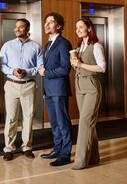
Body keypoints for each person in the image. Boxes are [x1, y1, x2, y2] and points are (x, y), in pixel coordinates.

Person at [0, 18, 43, 161]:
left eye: (21, 27)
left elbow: (40, 67)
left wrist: (27, 72)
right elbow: (1, 65)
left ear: (28, 29)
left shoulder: (36, 46)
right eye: (16, 27)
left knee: (28, 117)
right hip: (11, 84)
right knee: (11, 118)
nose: (17, 29)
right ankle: (9, 148)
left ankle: (27, 147)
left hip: (29, 85)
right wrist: (13, 71)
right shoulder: (7, 45)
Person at [70, 17, 106, 170]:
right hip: (79, 87)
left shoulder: (96, 46)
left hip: (91, 87)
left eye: (81, 27)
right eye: (76, 27)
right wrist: (75, 65)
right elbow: (79, 67)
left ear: (89, 28)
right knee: (89, 122)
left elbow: (102, 68)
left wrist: (81, 64)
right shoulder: (79, 48)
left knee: (85, 122)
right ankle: (93, 157)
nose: (78, 30)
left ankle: (80, 161)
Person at [38, 13, 73, 166]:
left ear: (58, 26)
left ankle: (65, 154)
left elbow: (66, 69)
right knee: (54, 122)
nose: (47, 24)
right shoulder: (47, 45)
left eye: (51, 22)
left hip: (59, 89)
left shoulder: (64, 43)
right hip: (49, 90)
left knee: (62, 122)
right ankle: (57, 149)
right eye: (46, 22)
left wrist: (46, 73)